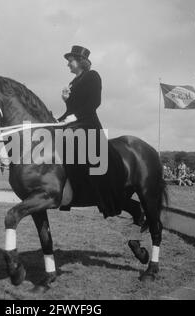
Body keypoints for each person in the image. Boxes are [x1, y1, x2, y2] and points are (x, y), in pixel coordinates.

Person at [57, 45, 127, 220]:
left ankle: (87, 191)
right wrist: (66, 101)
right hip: (75, 121)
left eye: (70, 61)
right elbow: (73, 107)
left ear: (80, 61)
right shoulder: (73, 82)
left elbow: (95, 102)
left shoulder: (93, 76)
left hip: (88, 123)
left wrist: (74, 117)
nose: (68, 65)